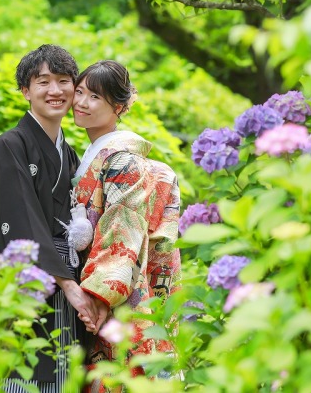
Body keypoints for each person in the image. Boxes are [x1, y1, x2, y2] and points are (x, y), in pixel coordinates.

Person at [0, 45, 97, 391]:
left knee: (57, 371)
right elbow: (20, 217)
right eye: (43, 82)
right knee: (18, 366)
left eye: (63, 81)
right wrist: (69, 285)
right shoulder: (11, 144)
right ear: (26, 91)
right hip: (27, 278)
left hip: (65, 281)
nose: (55, 91)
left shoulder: (70, 153)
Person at [70, 60, 181, 390]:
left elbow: (124, 228)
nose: (81, 103)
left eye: (94, 97)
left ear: (118, 106)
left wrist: (101, 295)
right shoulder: (96, 153)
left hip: (116, 289)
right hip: (94, 280)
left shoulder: (123, 158)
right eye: (79, 92)